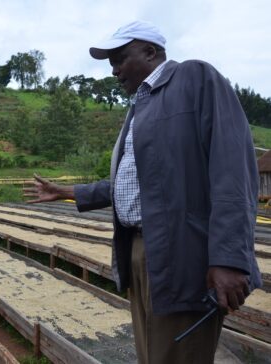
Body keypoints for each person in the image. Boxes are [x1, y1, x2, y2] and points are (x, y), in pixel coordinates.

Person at [24, 20, 262, 363]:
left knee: (178, 355)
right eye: (111, 64)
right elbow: (136, 184)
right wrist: (66, 191)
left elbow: (234, 170)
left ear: (151, 51)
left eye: (120, 59)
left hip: (183, 252)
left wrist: (229, 259)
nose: (115, 70)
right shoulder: (141, 107)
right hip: (139, 250)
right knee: (152, 353)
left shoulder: (195, 79)